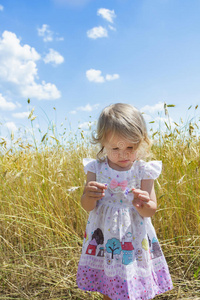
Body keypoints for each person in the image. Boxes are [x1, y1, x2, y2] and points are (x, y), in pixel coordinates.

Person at [76, 103, 173, 300]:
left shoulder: (144, 170)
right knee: (109, 287)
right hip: (104, 235)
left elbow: (150, 210)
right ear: (103, 143)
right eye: (115, 148)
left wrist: (144, 203)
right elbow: (88, 207)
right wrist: (87, 196)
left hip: (134, 236)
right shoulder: (96, 168)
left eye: (130, 147)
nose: (123, 154)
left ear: (141, 141)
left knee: (136, 283)